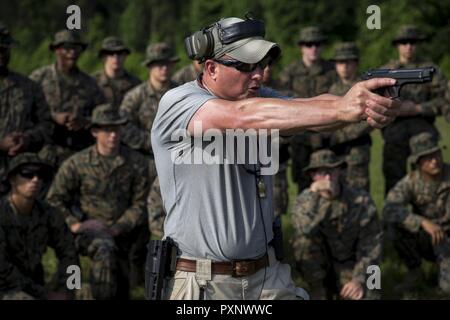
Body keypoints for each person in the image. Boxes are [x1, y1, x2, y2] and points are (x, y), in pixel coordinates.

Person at [151, 16, 398, 300]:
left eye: (262, 65)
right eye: (245, 66)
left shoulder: (256, 98)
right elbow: (240, 118)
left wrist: (364, 102)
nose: (258, 74)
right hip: (204, 283)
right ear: (211, 68)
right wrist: (344, 108)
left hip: (267, 276)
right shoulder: (180, 102)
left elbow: (309, 108)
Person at [46, 104, 150, 299]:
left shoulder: (136, 163)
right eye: (108, 130)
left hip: (125, 233)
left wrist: (118, 227)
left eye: (117, 129)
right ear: (94, 132)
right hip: (88, 233)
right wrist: (76, 224)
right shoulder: (77, 163)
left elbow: (141, 203)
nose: (113, 135)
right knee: (100, 251)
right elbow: (54, 199)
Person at [291, 149, 382, 300]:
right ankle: (318, 291)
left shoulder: (361, 200)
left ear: (339, 171)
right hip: (320, 266)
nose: (327, 178)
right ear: (313, 176)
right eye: (320, 173)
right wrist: (315, 196)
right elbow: (303, 229)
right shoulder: (304, 201)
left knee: (373, 281)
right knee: (302, 242)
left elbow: (372, 245)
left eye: (331, 171)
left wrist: (358, 280)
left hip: (353, 264)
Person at [0, 153, 79, 300]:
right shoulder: (2, 214)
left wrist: (70, 288)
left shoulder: (48, 213)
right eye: (27, 174)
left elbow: (69, 252)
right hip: (6, 287)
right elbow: (3, 269)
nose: (35, 180)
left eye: (40, 175)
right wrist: (45, 294)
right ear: (12, 180)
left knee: (84, 292)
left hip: (35, 287)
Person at [381, 25, 448, 194]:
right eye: (404, 42)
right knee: (394, 181)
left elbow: (444, 101)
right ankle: (395, 218)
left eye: (412, 42)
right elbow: (375, 101)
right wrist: (396, 108)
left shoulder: (430, 70)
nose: (408, 46)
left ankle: (430, 217)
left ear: (418, 45)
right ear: (397, 45)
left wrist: (418, 108)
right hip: (394, 135)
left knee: (430, 182)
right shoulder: (385, 72)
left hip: (423, 134)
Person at [383, 132, 450, 295]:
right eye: (428, 157)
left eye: (436, 154)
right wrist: (422, 222)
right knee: (394, 226)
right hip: (429, 238)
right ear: (418, 162)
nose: (435, 161)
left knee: (447, 289)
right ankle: (415, 270)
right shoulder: (411, 182)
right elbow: (389, 208)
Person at [29, 30, 105, 167]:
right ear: (57, 50)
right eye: (67, 48)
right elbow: (25, 113)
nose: (73, 53)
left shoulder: (90, 84)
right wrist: (53, 117)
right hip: (45, 154)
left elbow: (103, 116)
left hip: (80, 155)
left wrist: (84, 121)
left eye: (77, 48)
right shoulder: (39, 78)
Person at [278, 26, 337, 192]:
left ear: (323, 46)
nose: (313, 48)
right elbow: (280, 100)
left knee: (330, 182)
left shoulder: (332, 71)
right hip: (300, 138)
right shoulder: (290, 72)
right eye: (309, 44)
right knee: (303, 183)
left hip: (326, 136)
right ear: (301, 47)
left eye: (317, 44)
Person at [0, 22, 53, 183]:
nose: (1, 54)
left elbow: (47, 125)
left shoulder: (28, 86)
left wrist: (28, 139)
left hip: (21, 175)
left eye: (5, 48)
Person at [327, 42, 373, 191]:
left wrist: (343, 134)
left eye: (348, 62)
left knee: (359, 190)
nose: (344, 66)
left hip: (357, 148)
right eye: (340, 62)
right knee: (337, 189)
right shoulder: (333, 89)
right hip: (336, 149)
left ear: (356, 63)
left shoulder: (366, 87)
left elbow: (370, 116)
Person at [92, 36, 141, 107]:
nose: (116, 57)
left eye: (119, 53)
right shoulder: (92, 83)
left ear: (125, 56)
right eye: (111, 53)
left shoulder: (135, 84)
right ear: (103, 57)